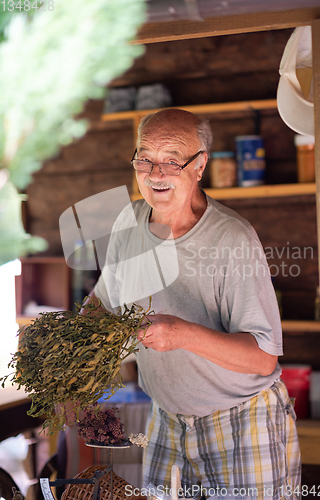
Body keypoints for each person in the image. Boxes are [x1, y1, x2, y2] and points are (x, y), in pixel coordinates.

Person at [87, 109, 301, 500]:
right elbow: (104, 302)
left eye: (172, 159)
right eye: (145, 157)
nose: (155, 172)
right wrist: (69, 342)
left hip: (242, 420)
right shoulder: (129, 222)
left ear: (200, 164)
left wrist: (182, 334)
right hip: (167, 420)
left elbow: (263, 358)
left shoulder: (232, 239)